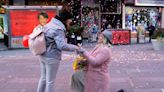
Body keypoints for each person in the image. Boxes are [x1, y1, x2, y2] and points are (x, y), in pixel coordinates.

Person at [37, 7, 79, 92]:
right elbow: (62, 46)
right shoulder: (58, 29)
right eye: (69, 20)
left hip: (42, 54)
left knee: (43, 78)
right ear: (65, 20)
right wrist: (76, 48)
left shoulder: (49, 25)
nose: (70, 22)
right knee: (50, 81)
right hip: (51, 57)